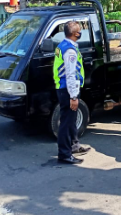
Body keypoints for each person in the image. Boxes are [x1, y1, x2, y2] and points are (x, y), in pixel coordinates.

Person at [53, 21, 92, 164]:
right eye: (80, 30)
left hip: (64, 88)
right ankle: (64, 154)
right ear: (76, 34)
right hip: (68, 90)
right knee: (66, 122)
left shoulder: (61, 45)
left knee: (71, 121)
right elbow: (70, 74)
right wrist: (74, 96)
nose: (81, 32)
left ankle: (74, 145)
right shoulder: (69, 50)